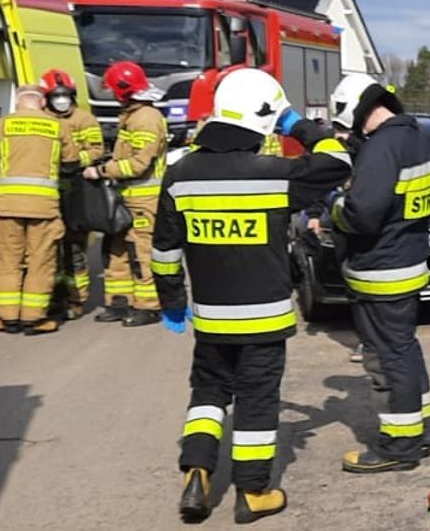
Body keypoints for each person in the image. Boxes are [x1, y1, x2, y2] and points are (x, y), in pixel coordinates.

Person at [151, 68, 352, 524]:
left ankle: (198, 470)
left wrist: (172, 304)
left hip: (211, 320)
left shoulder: (180, 174)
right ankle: (253, 491)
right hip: (263, 321)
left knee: (208, 392)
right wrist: (294, 123)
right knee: (257, 402)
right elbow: (338, 160)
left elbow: (164, 250)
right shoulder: (276, 175)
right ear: (265, 119)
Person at [328, 74, 430, 473]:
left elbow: (362, 216)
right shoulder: (422, 136)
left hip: (380, 270)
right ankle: (421, 431)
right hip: (410, 263)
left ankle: (399, 446)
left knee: (387, 357)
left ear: (353, 111)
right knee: (404, 349)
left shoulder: (381, 147)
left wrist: (335, 207)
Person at [0, 86, 80, 335]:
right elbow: (71, 165)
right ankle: (34, 319)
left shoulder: (1, 125)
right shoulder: (58, 126)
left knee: (8, 262)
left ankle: (8, 318)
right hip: (44, 207)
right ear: (43, 102)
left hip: (8, 206)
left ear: (17, 103)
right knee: (40, 262)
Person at [86, 60, 169, 327]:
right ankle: (119, 302)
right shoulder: (133, 116)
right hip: (127, 196)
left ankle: (148, 306)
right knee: (115, 248)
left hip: (144, 199)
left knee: (140, 251)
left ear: (123, 91)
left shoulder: (145, 119)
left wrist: (101, 171)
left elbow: (138, 164)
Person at [42, 69, 103, 320]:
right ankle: (53, 296)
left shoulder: (85, 119)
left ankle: (76, 299)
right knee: (48, 250)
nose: (61, 100)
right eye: (56, 96)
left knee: (74, 248)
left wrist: (75, 160)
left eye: (65, 96)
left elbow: (96, 149)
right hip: (47, 192)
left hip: (76, 190)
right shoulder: (41, 120)